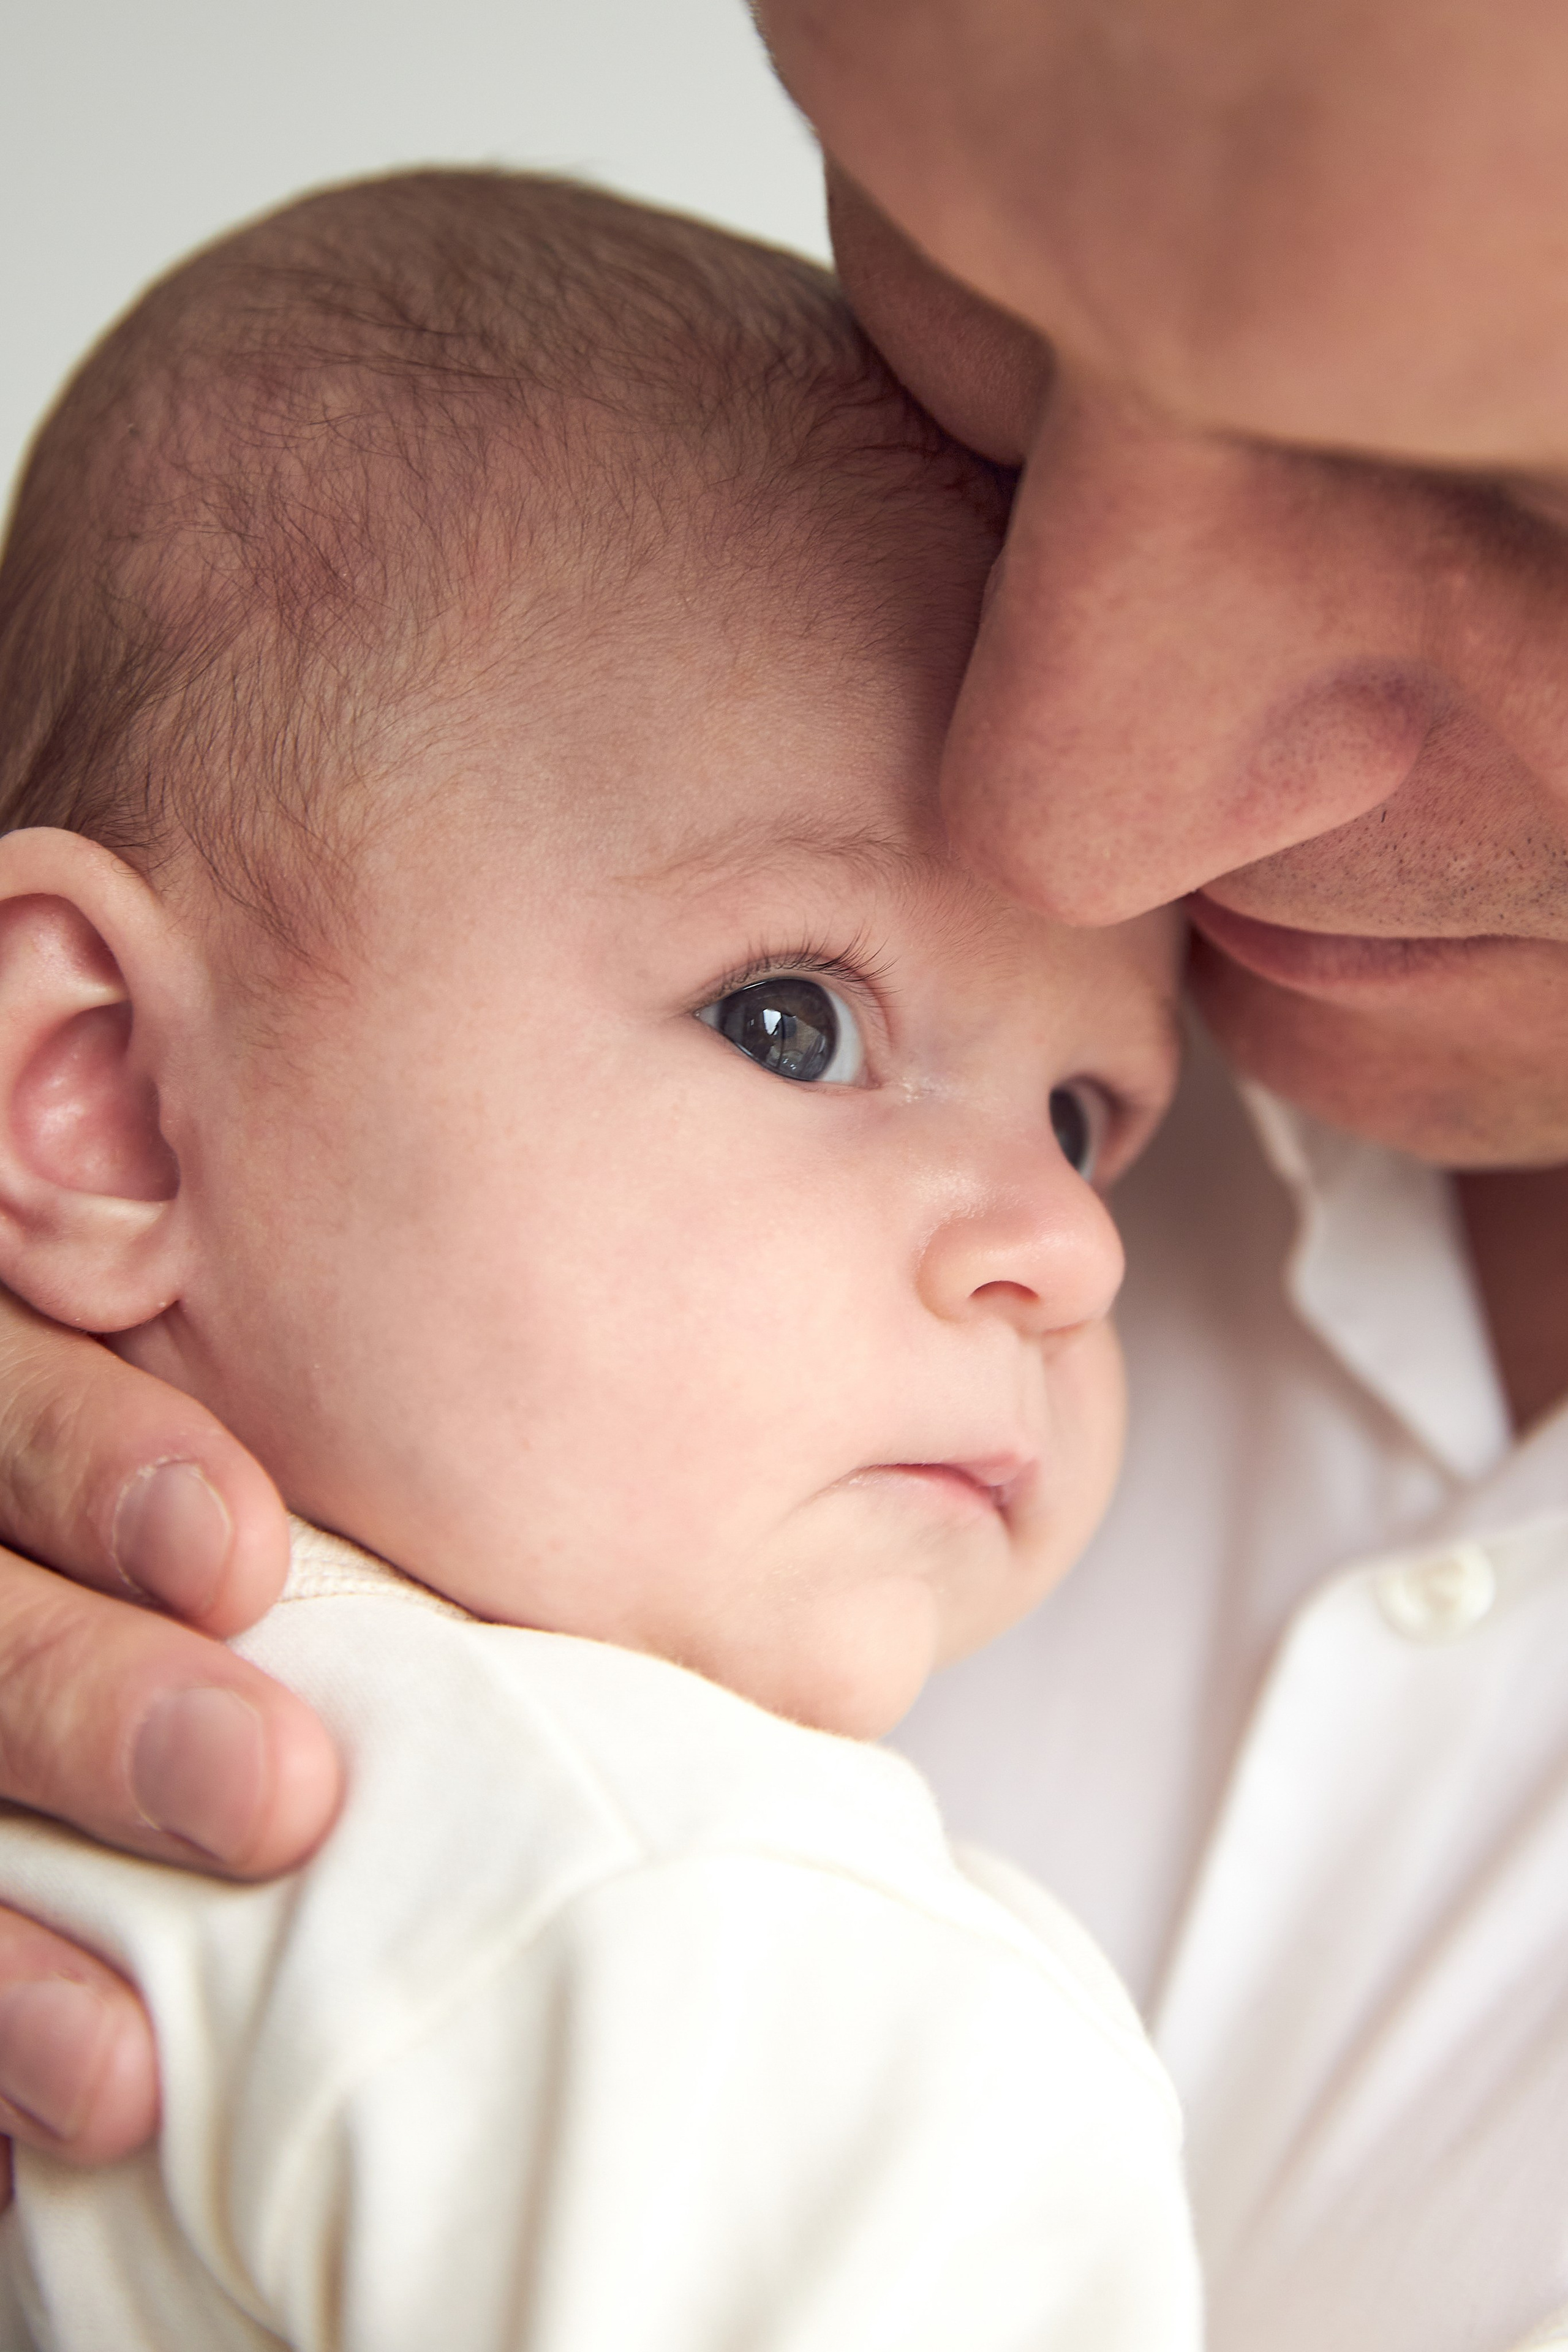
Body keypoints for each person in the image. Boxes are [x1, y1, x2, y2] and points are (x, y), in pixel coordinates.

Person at [2, 2, 1567, 2345]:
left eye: (1515, 492)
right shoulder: (749, 1970)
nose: (1060, 803)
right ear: (93, 1091)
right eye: (988, 323)